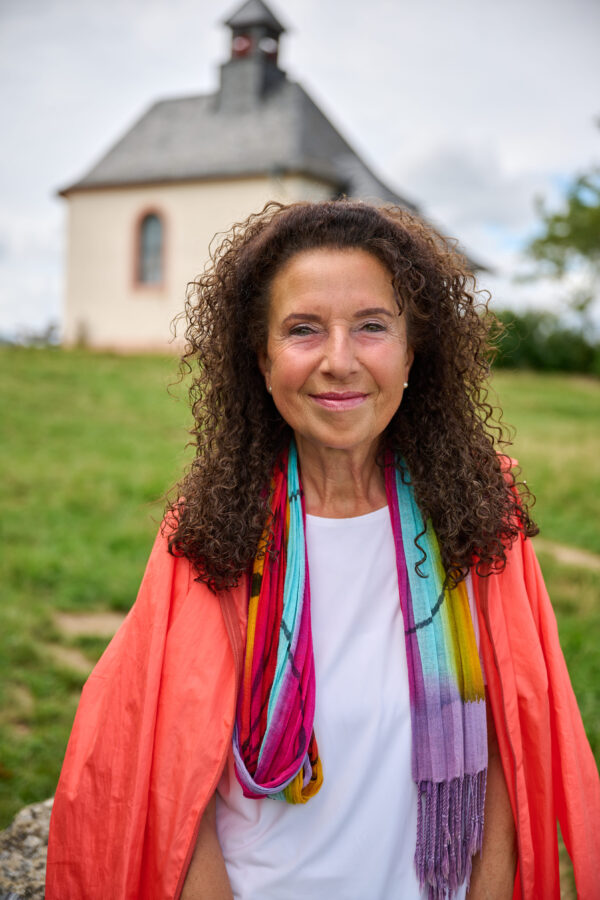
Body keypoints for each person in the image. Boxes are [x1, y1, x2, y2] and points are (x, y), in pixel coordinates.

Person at [46, 200, 599, 900]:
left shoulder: (479, 516)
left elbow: (509, 749)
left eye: (372, 326)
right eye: (303, 329)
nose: (340, 362)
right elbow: (167, 774)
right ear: (263, 358)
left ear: (411, 351)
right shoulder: (212, 530)